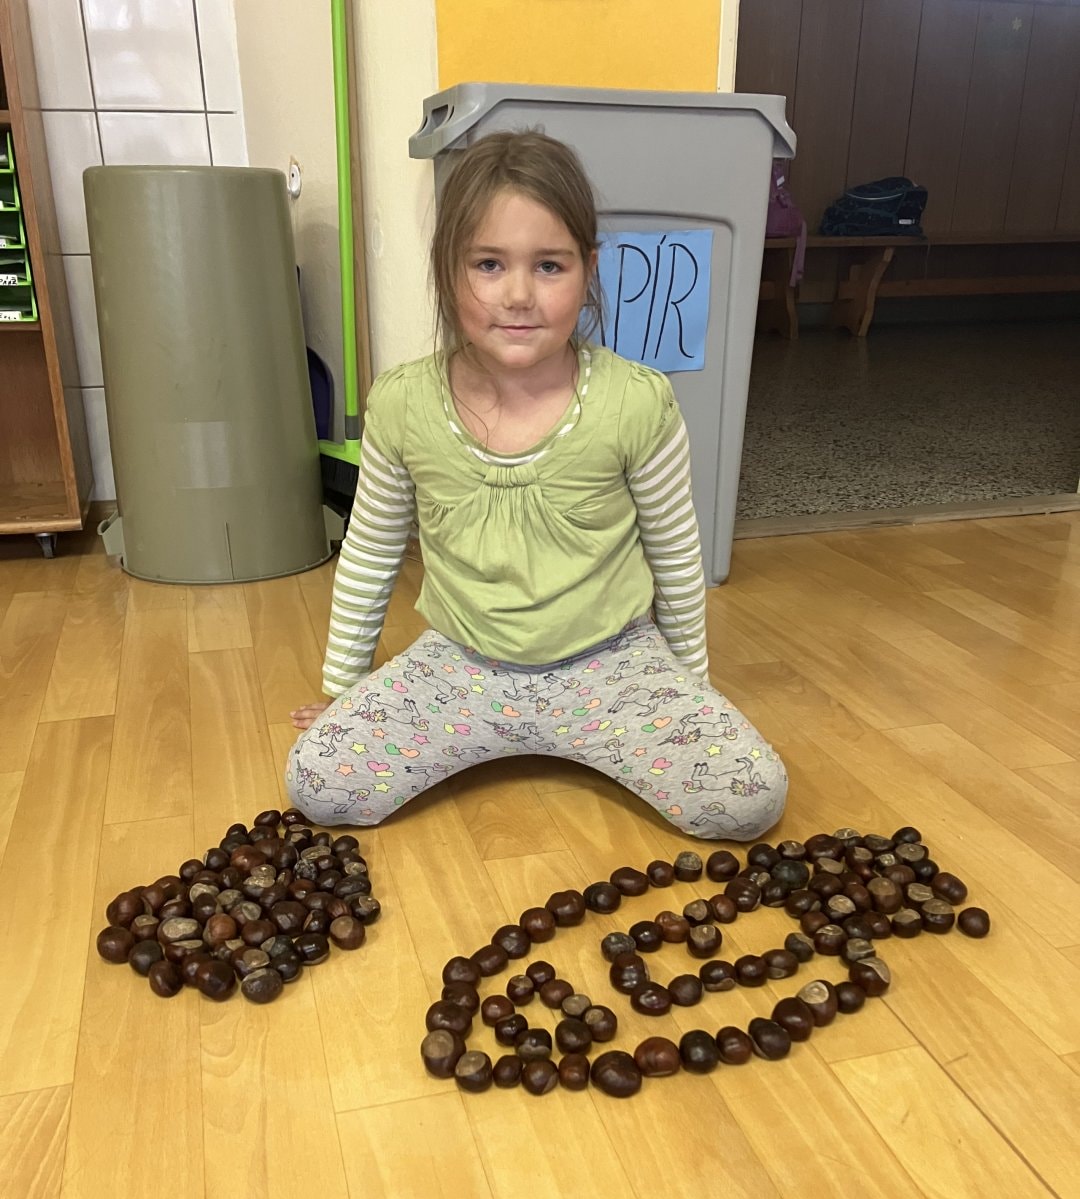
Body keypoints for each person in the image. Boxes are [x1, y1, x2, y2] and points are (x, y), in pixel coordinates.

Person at [286, 130, 787, 840]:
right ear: (447, 271)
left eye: (549, 266)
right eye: (488, 264)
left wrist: (690, 691)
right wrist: (342, 690)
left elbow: (677, 559)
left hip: (613, 665)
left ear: (588, 271)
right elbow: (368, 556)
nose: (518, 295)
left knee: (749, 798)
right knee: (319, 783)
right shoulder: (402, 404)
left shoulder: (637, 402)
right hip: (460, 665)